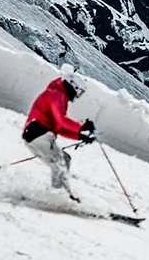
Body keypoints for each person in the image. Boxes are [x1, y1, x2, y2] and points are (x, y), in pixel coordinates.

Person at [22, 64, 95, 196]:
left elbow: (59, 127)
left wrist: (80, 136)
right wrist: (82, 127)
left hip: (38, 135)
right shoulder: (56, 95)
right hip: (38, 133)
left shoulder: (59, 96)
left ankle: (60, 192)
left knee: (64, 159)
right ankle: (58, 194)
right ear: (73, 86)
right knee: (59, 162)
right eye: (79, 92)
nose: (77, 96)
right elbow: (62, 121)